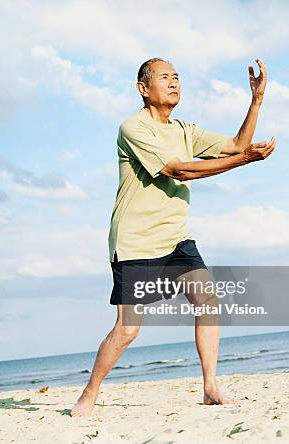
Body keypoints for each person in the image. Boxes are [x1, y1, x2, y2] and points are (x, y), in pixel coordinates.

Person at [70, 57, 275, 417]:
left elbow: (235, 144)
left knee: (207, 300)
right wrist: (243, 161)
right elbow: (178, 170)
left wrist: (256, 101)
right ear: (143, 88)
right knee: (127, 331)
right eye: (164, 77)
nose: (174, 82)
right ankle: (90, 391)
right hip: (135, 240)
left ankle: (210, 387)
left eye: (177, 77)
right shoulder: (133, 128)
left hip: (176, 238)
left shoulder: (184, 129)